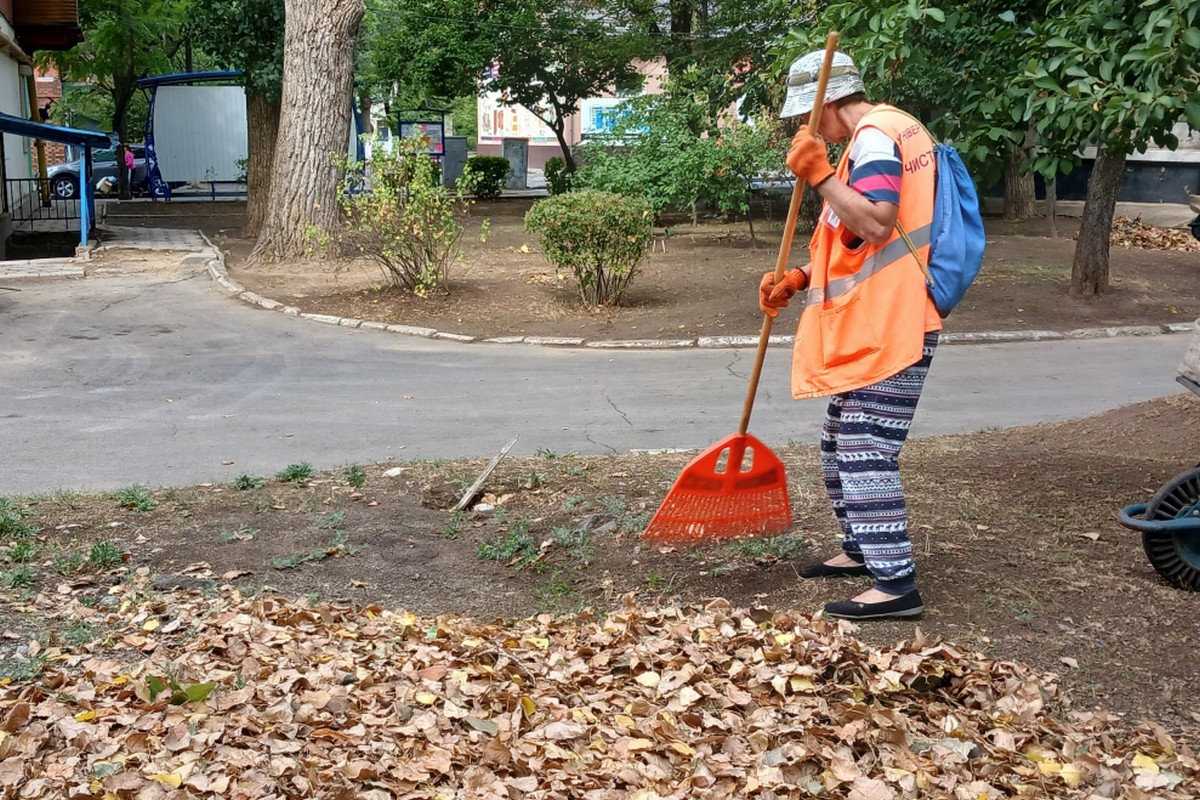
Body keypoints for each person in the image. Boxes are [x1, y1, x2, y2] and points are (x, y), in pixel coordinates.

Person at [759, 49, 942, 620]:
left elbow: (877, 222)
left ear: (828, 104)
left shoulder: (875, 136)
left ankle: (895, 585)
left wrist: (816, 175)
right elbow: (852, 244)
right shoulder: (872, 142)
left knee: (866, 446)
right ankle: (862, 549)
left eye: (807, 118)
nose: (805, 130)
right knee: (840, 440)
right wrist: (798, 278)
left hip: (894, 322)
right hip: (874, 321)